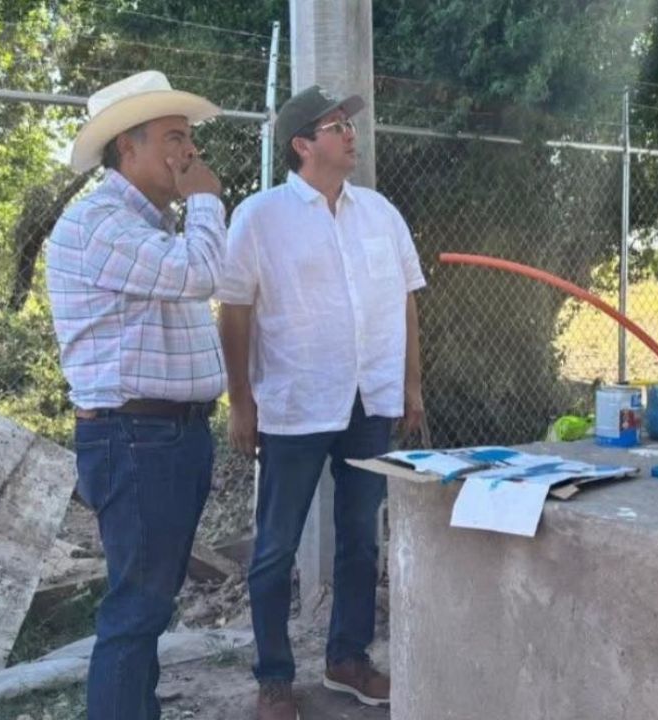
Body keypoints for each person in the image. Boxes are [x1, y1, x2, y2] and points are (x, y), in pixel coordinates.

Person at [216, 85, 426, 720]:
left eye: (349, 126)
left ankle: (348, 660)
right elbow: (234, 312)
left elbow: (407, 301)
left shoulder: (381, 213)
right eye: (336, 126)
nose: (350, 134)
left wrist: (411, 385)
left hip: (370, 401)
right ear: (303, 144)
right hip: (295, 404)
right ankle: (275, 678)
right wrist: (241, 403)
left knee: (362, 538)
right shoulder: (261, 215)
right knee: (276, 544)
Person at [45, 70, 228, 720]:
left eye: (189, 140)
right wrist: (206, 199)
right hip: (138, 441)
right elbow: (202, 272)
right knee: (135, 613)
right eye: (175, 138)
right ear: (129, 146)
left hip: (165, 438)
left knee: (147, 609)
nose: (190, 154)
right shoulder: (101, 222)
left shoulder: (145, 227)